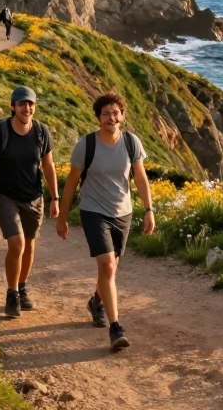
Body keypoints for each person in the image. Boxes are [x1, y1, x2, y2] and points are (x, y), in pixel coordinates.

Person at [56, 91, 155, 351]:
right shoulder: (86, 145)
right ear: (98, 118)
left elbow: (141, 178)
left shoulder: (131, 142)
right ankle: (116, 328)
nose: (111, 117)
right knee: (108, 266)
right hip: (93, 210)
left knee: (110, 269)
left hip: (123, 212)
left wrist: (149, 209)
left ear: (122, 115)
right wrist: (62, 217)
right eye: (105, 113)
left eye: (115, 112)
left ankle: (96, 302)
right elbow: (72, 183)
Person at [0, 86, 60, 318]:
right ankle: (12, 293)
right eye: (22, 104)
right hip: (5, 196)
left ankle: (22, 287)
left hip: (33, 197)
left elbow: (49, 166)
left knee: (30, 244)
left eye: (31, 104)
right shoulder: (1, 132)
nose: (27, 108)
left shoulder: (41, 132)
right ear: (13, 107)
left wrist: (55, 197)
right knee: (17, 244)